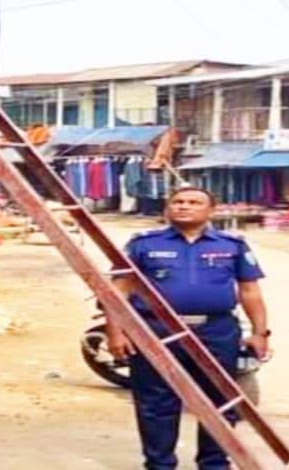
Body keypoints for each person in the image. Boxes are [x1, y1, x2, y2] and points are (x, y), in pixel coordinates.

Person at [107, 186, 271, 470]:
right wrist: (115, 333)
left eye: (194, 202)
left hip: (216, 332)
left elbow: (250, 291)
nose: (184, 206)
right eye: (178, 202)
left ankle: (214, 464)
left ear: (211, 211)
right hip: (155, 332)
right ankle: (159, 464)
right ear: (168, 208)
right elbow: (117, 291)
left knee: (219, 401)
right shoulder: (143, 244)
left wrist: (260, 333)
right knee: (156, 404)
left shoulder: (231, 245)